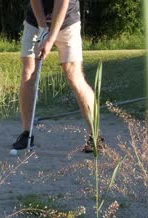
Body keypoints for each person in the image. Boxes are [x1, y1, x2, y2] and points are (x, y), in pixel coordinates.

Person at [12, 0, 104, 153]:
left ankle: (95, 136)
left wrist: (50, 38)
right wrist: (43, 29)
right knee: (28, 72)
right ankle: (27, 133)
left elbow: (62, 3)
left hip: (67, 20)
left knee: (73, 75)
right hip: (35, 20)